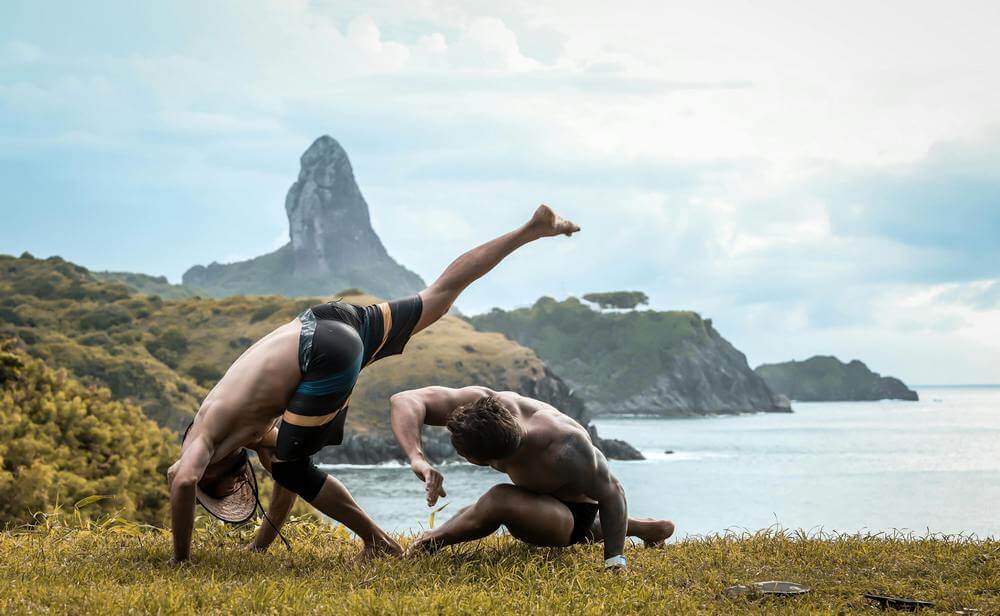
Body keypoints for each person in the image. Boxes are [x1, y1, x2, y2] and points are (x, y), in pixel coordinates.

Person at [166, 205, 580, 564]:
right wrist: (260, 547)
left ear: (208, 471)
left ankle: (378, 541)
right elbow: (283, 473)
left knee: (292, 466)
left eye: (220, 486)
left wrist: (181, 560)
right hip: (328, 320)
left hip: (321, 352)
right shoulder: (246, 434)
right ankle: (532, 229)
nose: (235, 484)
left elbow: (182, 478)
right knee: (438, 295)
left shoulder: (203, 438)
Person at [389, 386, 675, 571]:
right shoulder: (486, 405)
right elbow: (405, 400)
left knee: (497, 500)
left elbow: (612, 493)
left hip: (574, 516)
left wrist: (615, 561)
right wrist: (418, 459)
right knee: (480, 509)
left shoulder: (565, 446)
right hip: (546, 499)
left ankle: (429, 543)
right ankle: (648, 528)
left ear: (495, 461)